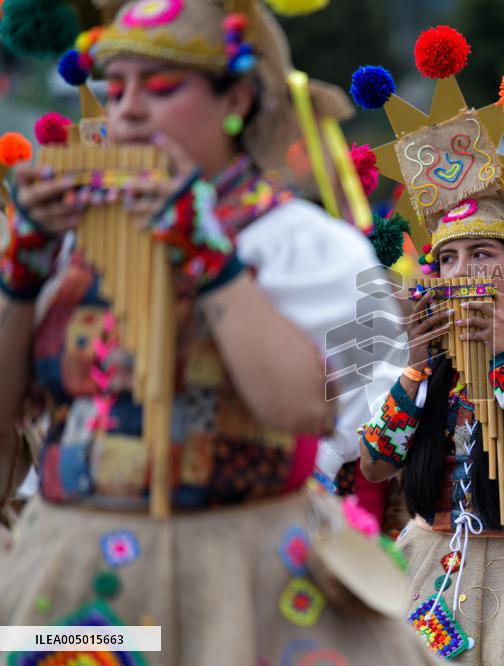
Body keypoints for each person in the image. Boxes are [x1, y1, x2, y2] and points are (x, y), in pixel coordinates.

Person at [0, 1, 429, 664]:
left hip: (237, 566)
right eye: (116, 90)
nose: (129, 112)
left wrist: (210, 258)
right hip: (76, 567)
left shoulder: (307, 244)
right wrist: (21, 276)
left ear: (237, 99)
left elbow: (303, 410)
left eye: (163, 87)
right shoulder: (68, 242)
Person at [354, 26, 504, 664]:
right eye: (450, 259)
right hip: (429, 566)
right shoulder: (423, 350)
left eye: (482, 253)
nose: (463, 272)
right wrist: (414, 371)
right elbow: (375, 467)